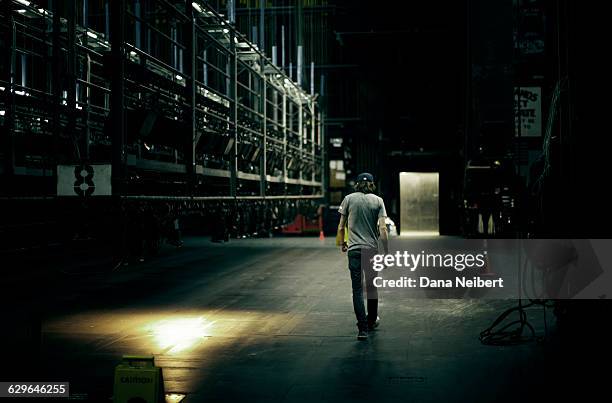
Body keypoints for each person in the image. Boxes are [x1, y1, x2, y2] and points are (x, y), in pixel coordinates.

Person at [337, 173, 389, 340]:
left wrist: (342, 242)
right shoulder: (378, 201)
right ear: (372, 184)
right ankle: (372, 320)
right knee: (372, 288)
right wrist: (386, 251)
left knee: (357, 290)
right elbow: (383, 229)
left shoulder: (348, 199)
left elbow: (341, 226)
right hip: (371, 250)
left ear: (357, 184)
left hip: (354, 250)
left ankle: (362, 329)